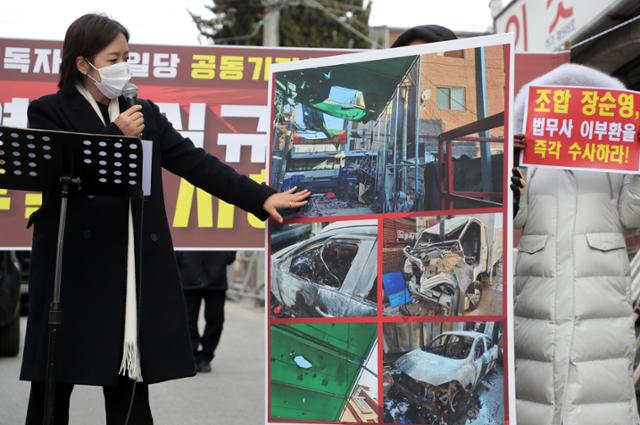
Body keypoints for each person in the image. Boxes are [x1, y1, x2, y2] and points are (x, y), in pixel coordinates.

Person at [22, 13, 309, 425]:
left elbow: (196, 163)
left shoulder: (144, 112)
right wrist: (114, 138)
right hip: (72, 271)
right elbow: (51, 175)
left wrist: (260, 197)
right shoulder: (49, 111)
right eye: (113, 57)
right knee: (55, 380)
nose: (124, 66)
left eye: (127, 56)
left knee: (129, 383)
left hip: (129, 269)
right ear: (83, 65)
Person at [511, 63, 640, 425]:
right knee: (534, 399)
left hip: (599, 312)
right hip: (538, 307)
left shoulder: (613, 161)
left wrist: (639, 162)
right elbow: (512, 218)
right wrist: (508, 165)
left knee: (599, 400)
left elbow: (633, 217)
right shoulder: (530, 161)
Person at [176, 251, 236, 373]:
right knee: (187, 320)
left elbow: (232, 245)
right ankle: (191, 355)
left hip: (216, 277)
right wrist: (181, 256)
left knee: (216, 320)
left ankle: (205, 357)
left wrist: (225, 257)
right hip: (189, 275)